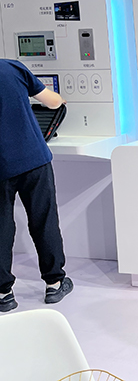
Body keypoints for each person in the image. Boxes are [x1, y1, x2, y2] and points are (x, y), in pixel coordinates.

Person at [0, 59, 73, 312]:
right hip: (33, 159)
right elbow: (53, 102)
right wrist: (60, 99)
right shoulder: (12, 68)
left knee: (1, 227)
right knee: (44, 220)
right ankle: (54, 283)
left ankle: (4, 293)